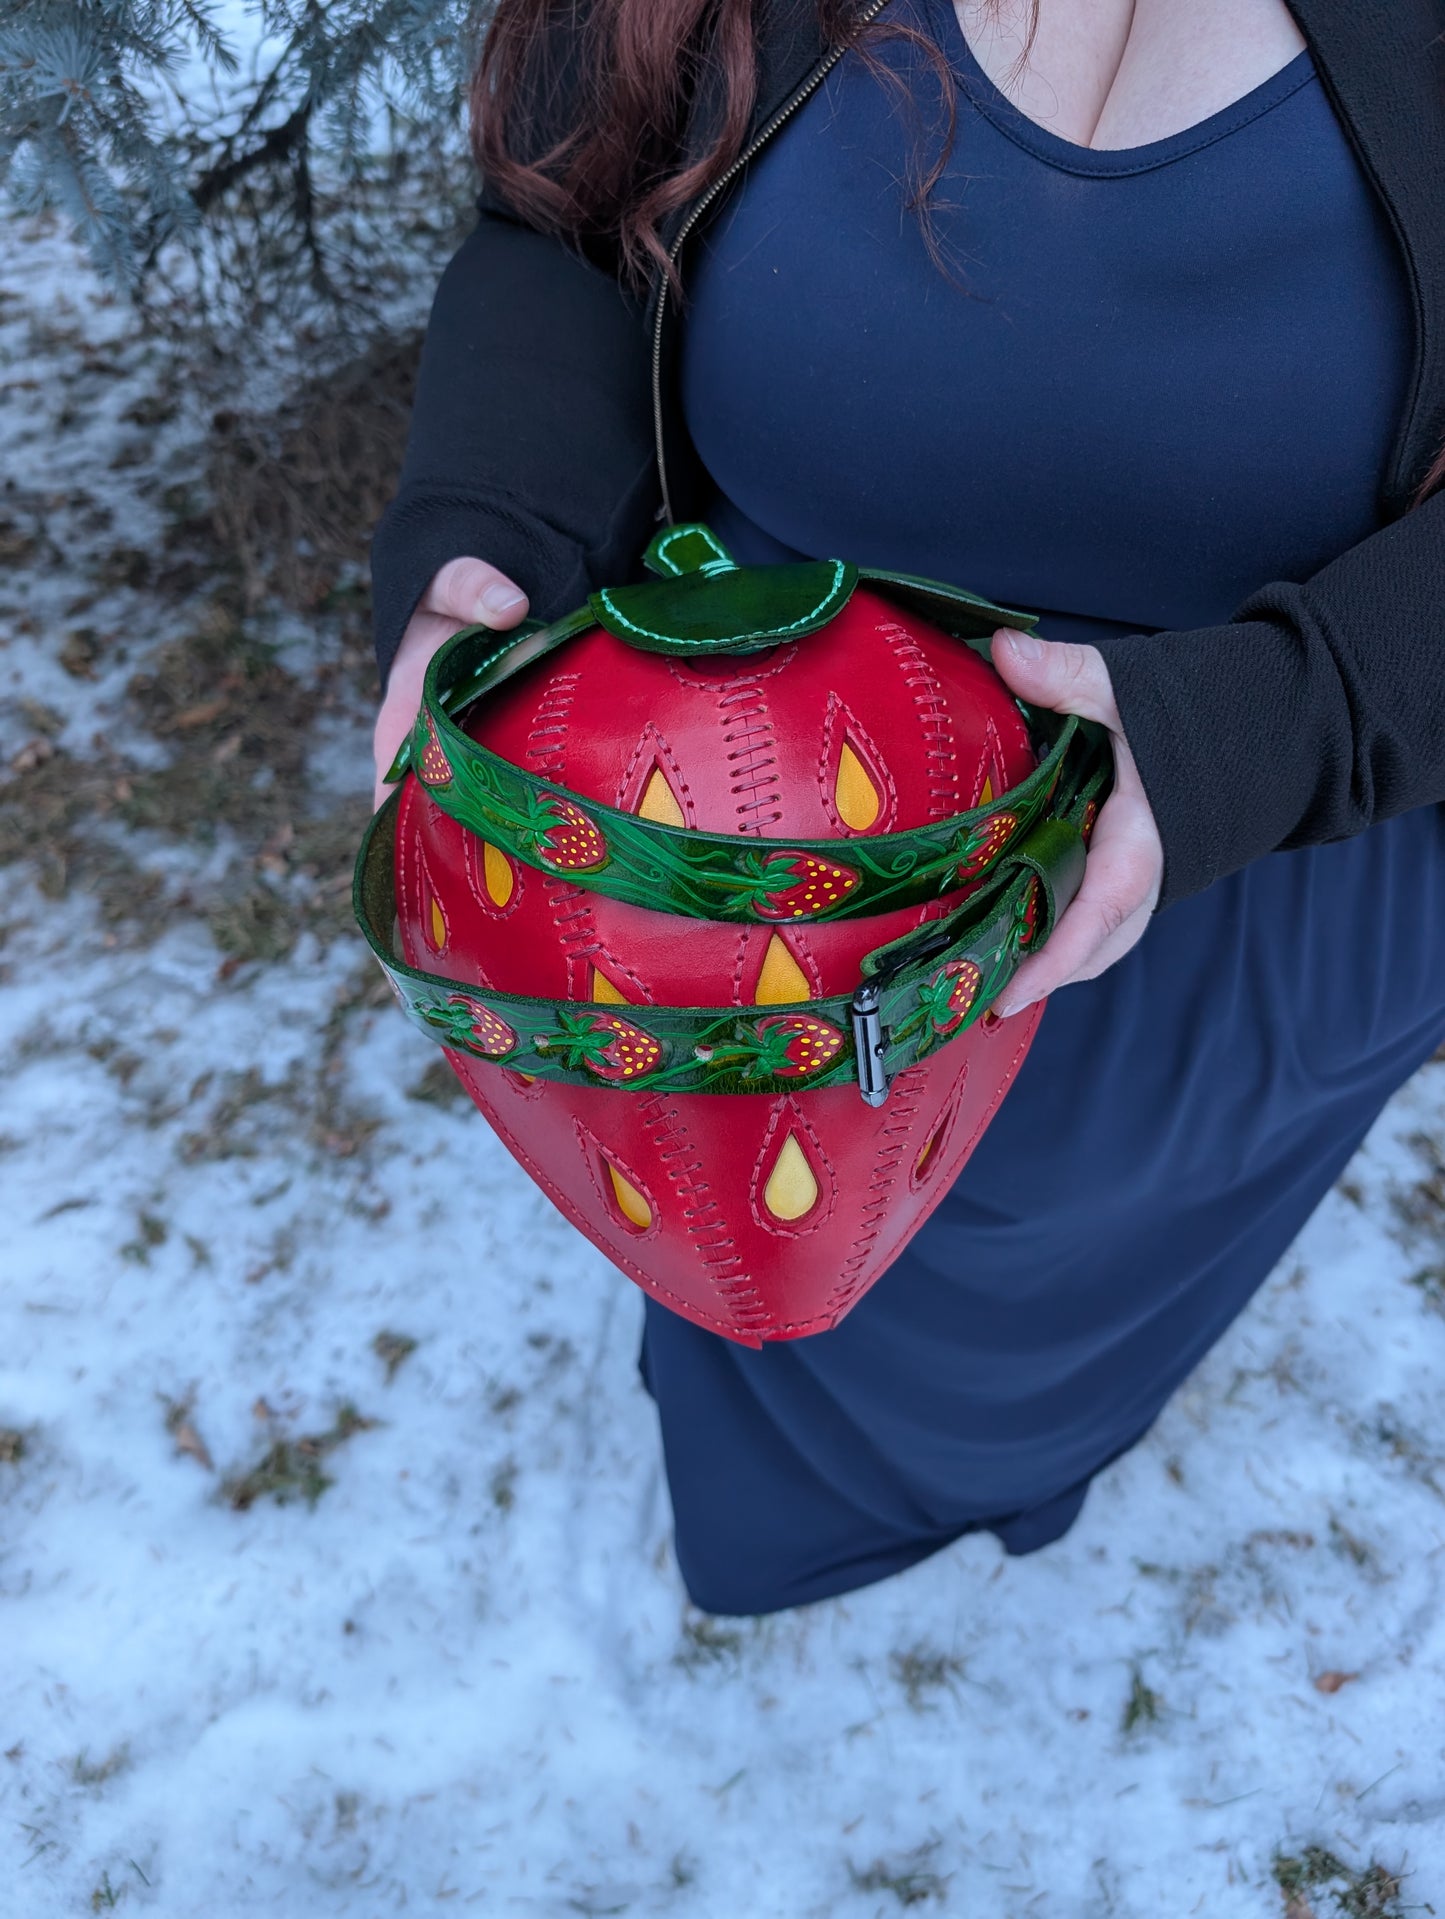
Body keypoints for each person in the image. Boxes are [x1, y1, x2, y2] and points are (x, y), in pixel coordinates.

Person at [369, 0, 1445, 1616]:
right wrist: (490, 530)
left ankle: (991, 1472)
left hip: (1235, 884)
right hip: (721, 847)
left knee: (1039, 1297)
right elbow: (563, 224)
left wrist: (1282, 722)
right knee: (748, 1238)